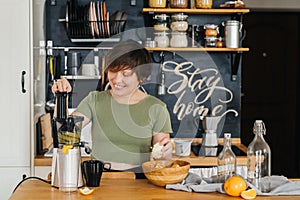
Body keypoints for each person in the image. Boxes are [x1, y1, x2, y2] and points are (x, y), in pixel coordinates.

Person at [52, 40, 173, 175]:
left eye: (125, 74)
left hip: (139, 179)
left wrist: (166, 154)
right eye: (113, 71)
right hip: (99, 177)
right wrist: (60, 96)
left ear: (142, 77)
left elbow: (161, 158)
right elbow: (64, 131)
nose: (116, 79)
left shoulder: (157, 108)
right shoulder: (95, 99)